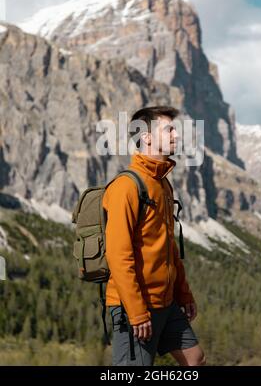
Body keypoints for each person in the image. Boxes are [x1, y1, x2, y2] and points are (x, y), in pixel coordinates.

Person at [102, 105, 206, 366]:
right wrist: (136, 312)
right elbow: (118, 255)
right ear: (146, 137)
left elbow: (169, 247)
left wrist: (184, 294)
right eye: (169, 129)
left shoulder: (162, 184)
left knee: (195, 360)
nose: (176, 135)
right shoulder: (126, 186)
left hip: (166, 301)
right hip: (133, 305)